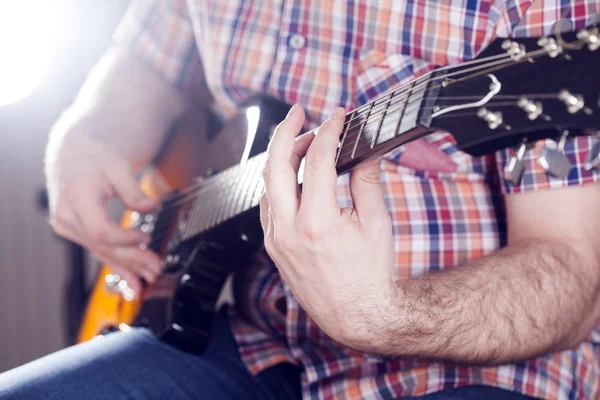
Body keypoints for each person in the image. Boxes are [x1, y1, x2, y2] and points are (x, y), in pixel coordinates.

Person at [1, 0, 600, 399]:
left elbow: (573, 271)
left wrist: (388, 316)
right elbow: (150, 58)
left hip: (475, 371)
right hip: (255, 344)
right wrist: (87, 135)